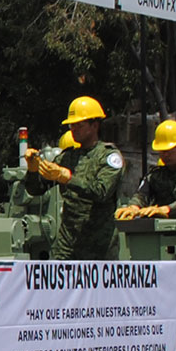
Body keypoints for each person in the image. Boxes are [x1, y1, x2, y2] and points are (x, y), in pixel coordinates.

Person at [23, 95, 124, 260]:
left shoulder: (109, 157)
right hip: (67, 247)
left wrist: (68, 178)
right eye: (72, 125)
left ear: (95, 125)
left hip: (100, 248)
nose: (74, 129)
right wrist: (33, 170)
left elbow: (101, 191)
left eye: (79, 125)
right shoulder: (67, 157)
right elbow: (36, 190)